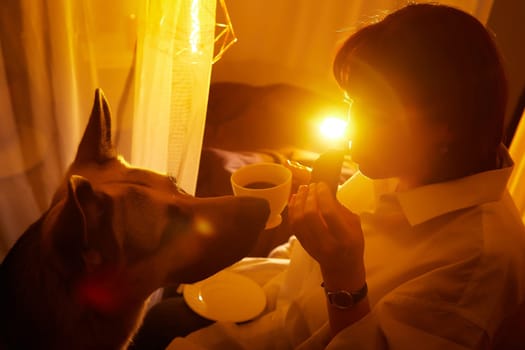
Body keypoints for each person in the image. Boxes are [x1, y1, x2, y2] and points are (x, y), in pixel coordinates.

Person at [163, 3, 525, 349]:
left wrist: (344, 277)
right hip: (269, 312)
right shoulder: (402, 165)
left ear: (446, 126)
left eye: (374, 111)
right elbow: (301, 274)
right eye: (352, 103)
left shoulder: (479, 261)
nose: (352, 128)